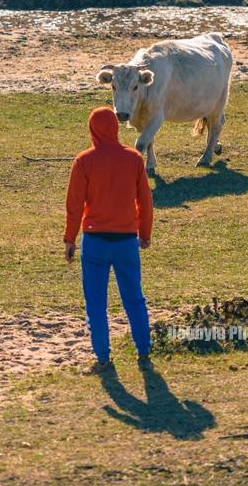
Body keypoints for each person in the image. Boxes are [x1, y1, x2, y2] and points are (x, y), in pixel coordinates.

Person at [63, 106, 154, 373]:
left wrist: (69, 239)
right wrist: (145, 234)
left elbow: (74, 206)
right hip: (126, 241)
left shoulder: (83, 161)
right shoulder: (134, 159)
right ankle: (144, 353)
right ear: (115, 128)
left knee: (96, 303)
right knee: (134, 299)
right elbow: (145, 203)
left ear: (92, 130)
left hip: (95, 242)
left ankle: (103, 359)